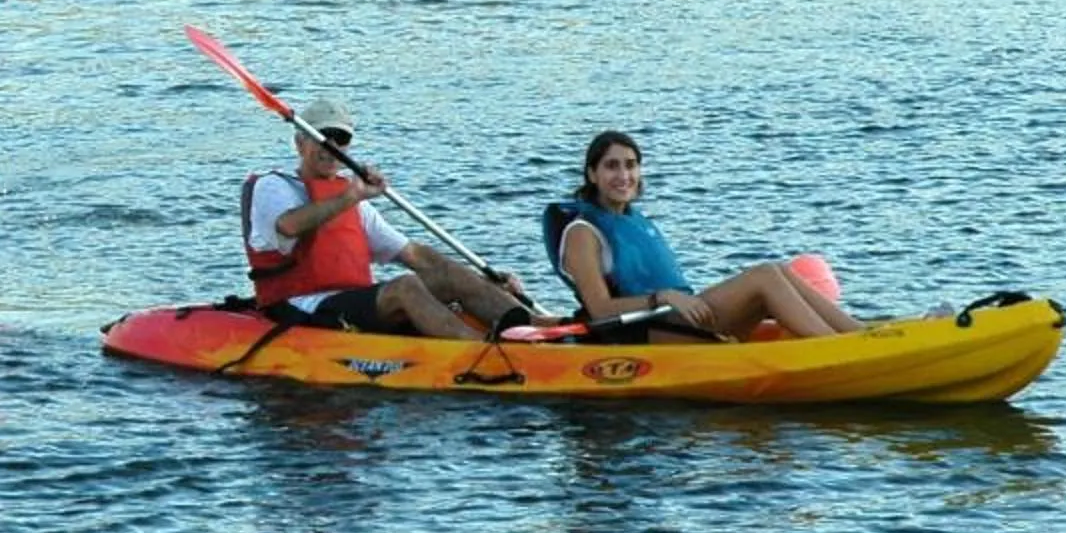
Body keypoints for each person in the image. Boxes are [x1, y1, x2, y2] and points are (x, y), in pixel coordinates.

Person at [244, 99, 532, 339]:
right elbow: (288, 225)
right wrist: (351, 197)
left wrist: (475, 281)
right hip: (302, 305)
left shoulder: (351, 196)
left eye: (340, 139)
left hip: (351, 301)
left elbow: (412, 254)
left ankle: (534, 328)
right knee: (405, 287)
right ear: (300, 143)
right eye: (323, 138)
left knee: (447, 271)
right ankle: (483, 352)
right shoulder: (275, 186)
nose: (331, 147)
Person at [548, 130, 861, 341]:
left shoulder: (631, 220)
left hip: (677, 319)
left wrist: (671, 300)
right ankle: (839, 347)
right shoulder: (582, 233)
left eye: (631, 165)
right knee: (765, 275)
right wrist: (661, 298)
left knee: (778, 269)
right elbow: (599, 309)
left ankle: (859, 335)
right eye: (611, 167)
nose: (624, 175)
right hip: (645, 333)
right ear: (592, 174)